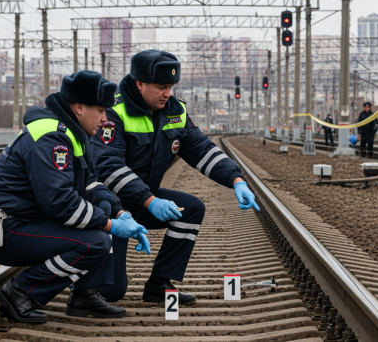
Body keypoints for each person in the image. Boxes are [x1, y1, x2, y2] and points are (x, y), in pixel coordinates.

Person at [0, 71, 151, 323]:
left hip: (26, 221)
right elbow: (61, 203)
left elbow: (90, 183)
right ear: (79, 107)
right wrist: (111, 226)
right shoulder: (51, 138)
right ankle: (21, 292)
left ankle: (84, 295)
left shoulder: (73, 133)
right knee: (95, 242)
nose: (104, 118)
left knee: (101, 208)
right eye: (100, 111)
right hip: (7, 229)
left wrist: (121, 213)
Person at [91, 50, 260, 306]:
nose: (167, 93)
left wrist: (237, 180)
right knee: (110, 292)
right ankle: (80, 279)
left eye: (170, 86)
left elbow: (201, 150)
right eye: (161, 87)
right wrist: (150, 201)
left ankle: (160, 284)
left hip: (142, 200)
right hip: (109, 208)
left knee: (191, 209)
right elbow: (109, 168)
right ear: (139, 84)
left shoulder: (175, 112)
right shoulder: (114, 113)